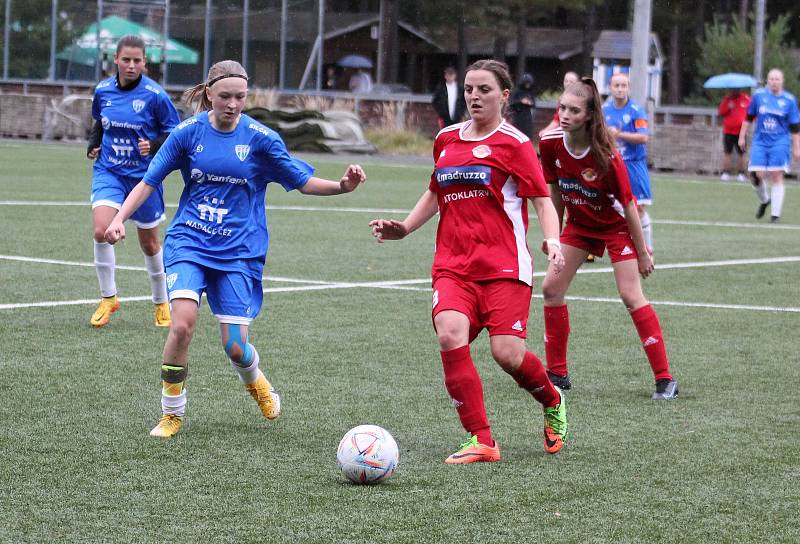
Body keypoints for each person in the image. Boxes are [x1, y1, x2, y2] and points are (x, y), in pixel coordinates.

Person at [104, 60, 366, 438]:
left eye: (240, 97)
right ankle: (171, 413)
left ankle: (256, 381)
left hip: (239, 251)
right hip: (189, 242)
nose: (232, 104)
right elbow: (148, 181)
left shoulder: (261, 139)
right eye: (225, 96)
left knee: (236, 347)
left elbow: (302, 181)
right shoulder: (186, 134)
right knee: (181, 326)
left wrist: (342, 186)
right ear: (208, 93)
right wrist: (118, 219)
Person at [369, 59, 568, 464]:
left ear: (505, 96)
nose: (474, 97)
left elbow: (542, 200)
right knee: (449, 334)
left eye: (484, 90)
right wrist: (405, 227)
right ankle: (482, 439)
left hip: (505, 268)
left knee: (507, 355)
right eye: (469, 90)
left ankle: (551, 398)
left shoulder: (515, 143)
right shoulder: (445, 138)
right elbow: (435, 191)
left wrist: (552, 239)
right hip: (453, 265)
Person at [538, 78, 678, 401]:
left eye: (574, 110)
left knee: (631, 295)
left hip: (616, 228)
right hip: (580, 225)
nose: (565, 115)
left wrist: (643, 253)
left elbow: (630, 208)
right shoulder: (549, 144)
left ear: (588, 115)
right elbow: (555, 192)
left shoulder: (606, 156)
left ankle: (665, 378)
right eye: (562, 108)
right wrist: (554, 238)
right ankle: (557, 373)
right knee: (550, 289)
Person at [87, 35, 180, 328]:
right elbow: (99, 123)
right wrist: (93, 143)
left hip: (144, 179)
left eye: (137, 60)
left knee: (150, 243)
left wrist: (151, 146)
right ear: (115, 59)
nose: (131, 65)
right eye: (125, 60)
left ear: (145, 63)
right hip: (109, 171)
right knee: (101, 230)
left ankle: (161, 302)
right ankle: (108, 297)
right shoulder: (103, 90)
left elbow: (175, 135)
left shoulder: (156, 96)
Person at [738, 69, 800, 223]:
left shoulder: (789, 100)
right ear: (767, 81)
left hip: (780, 142)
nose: (774, 81)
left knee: (776, 175)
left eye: (777, 79)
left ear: (782, 81)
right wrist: (741, 136)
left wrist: (797, 148)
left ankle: (775, 216)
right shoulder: (759, 96)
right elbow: (748, 118)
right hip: (760, 141)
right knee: (755, 175)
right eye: (771, 79)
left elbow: (795, 127)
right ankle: (765, 200)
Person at [603, 72, 655, 251]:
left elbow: (643, 137)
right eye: (616, 85)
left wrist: (618, 134)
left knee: (637, 208)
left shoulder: (636, 110)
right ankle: (602, 246)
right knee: (608, 206)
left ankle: (647, 247)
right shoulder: (604, 110)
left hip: (633, 165)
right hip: (612, 165)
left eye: (623, 85)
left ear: (629, 88)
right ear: (610, 88)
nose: (620, 89)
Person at [718, 89, 751, 181]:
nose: (734, 91)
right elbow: (721, 112)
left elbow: (752, 111)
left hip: (741, 131)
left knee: (741, 153)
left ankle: (741, 174)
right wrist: (728, 107)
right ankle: (725, 173)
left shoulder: (746, 98)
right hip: (728, 131)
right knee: (727, 152)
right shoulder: (727, 99)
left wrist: (750, 122)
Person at [538, 71, 579, 138]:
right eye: (566, 81)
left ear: (577, 84)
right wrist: (547, 130)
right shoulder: (562, 98)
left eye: (571, 82)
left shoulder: (581, 99)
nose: (568, 84)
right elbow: (557, 119)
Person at [509, 73, 536, 140]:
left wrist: (530, 103)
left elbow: (534, 104)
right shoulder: (517, 91)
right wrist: (521, 101)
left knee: (527, 133)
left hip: (527, 116)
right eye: (526, 83)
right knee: (517, 132)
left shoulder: (530, 92)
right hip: (518, 115)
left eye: (529, 84)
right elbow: (511, 103)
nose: (528, 85)